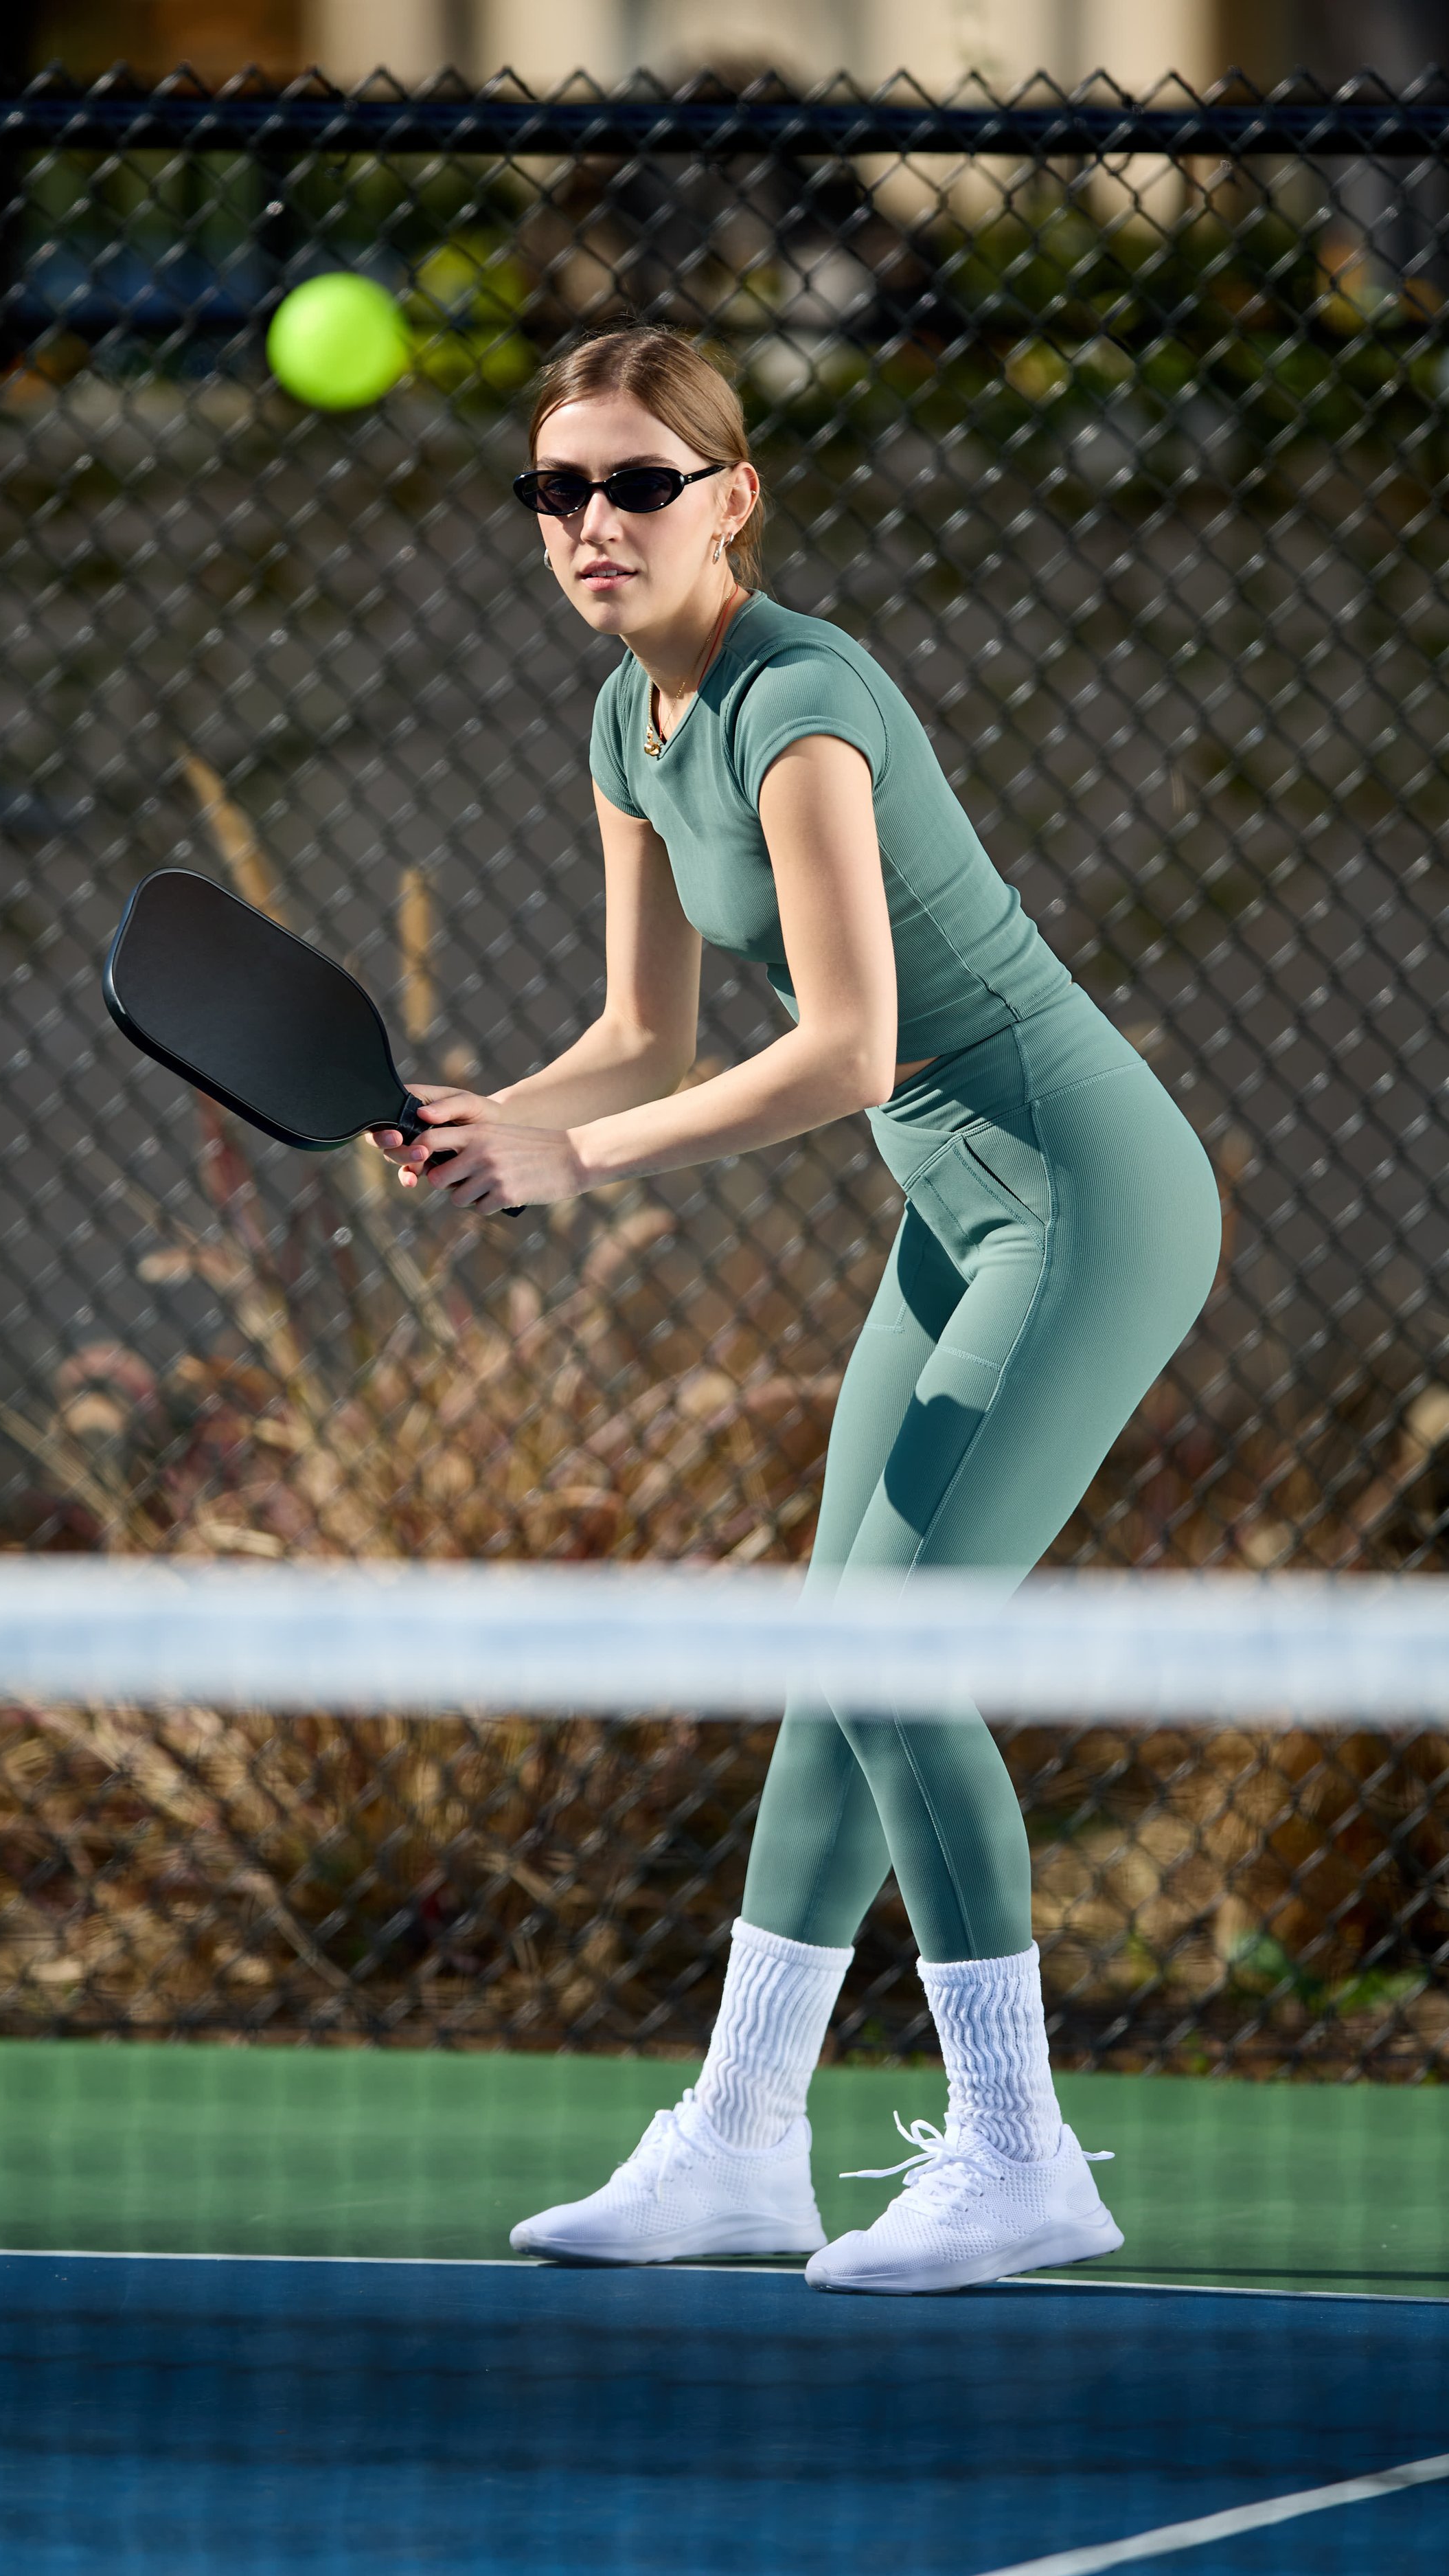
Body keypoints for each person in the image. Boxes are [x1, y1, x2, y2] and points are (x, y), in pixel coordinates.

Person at [374, 324, 1220, 2295]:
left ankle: (1020, 2154)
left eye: (636, 484)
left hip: (1084, 1202)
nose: (593, 522)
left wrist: (583, 1166)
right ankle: (743, 2142)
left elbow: (847, 1048)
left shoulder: (800, 701)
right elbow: (637, 1033)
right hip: (951, 1216)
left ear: (728, 498)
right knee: (830, 1659)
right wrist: (495, 1119)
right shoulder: (627, 724)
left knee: (890, 1653)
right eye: (557, 490)